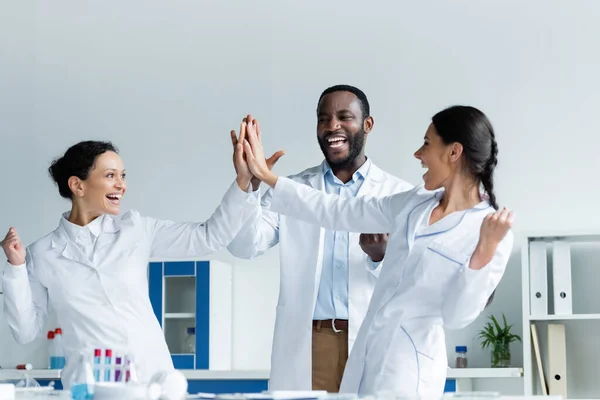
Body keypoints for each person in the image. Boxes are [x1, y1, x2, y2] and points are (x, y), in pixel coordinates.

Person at [239, 105, 515, 397]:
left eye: (427, 143)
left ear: (453, 152)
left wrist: (483, 254)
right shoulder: (415, 203)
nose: (418, 154)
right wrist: (268, 178)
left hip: (410, 370)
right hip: (367, 357)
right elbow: (338, 210)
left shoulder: (489, 230)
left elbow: (456, 316)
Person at [1, 140, 258, 389]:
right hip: (92, 389)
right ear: (77, 185)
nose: (121, 185)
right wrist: (16, 268)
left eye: (123, 176)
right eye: (110, 175)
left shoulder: (135, 230)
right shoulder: (43, 254)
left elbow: (208, 237)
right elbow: (25, 331)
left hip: (153, 381)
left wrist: (243, 183)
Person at [227, 85, 413, 392]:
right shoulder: (294, 190)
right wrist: (249, 187)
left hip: (372, 339)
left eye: (344, 117)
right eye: (323, 118)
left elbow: (417, 281)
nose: (332, 126)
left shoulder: (396, 194)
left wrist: (381, 257)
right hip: (312, 343)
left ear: (367, 125)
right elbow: (243, 246)